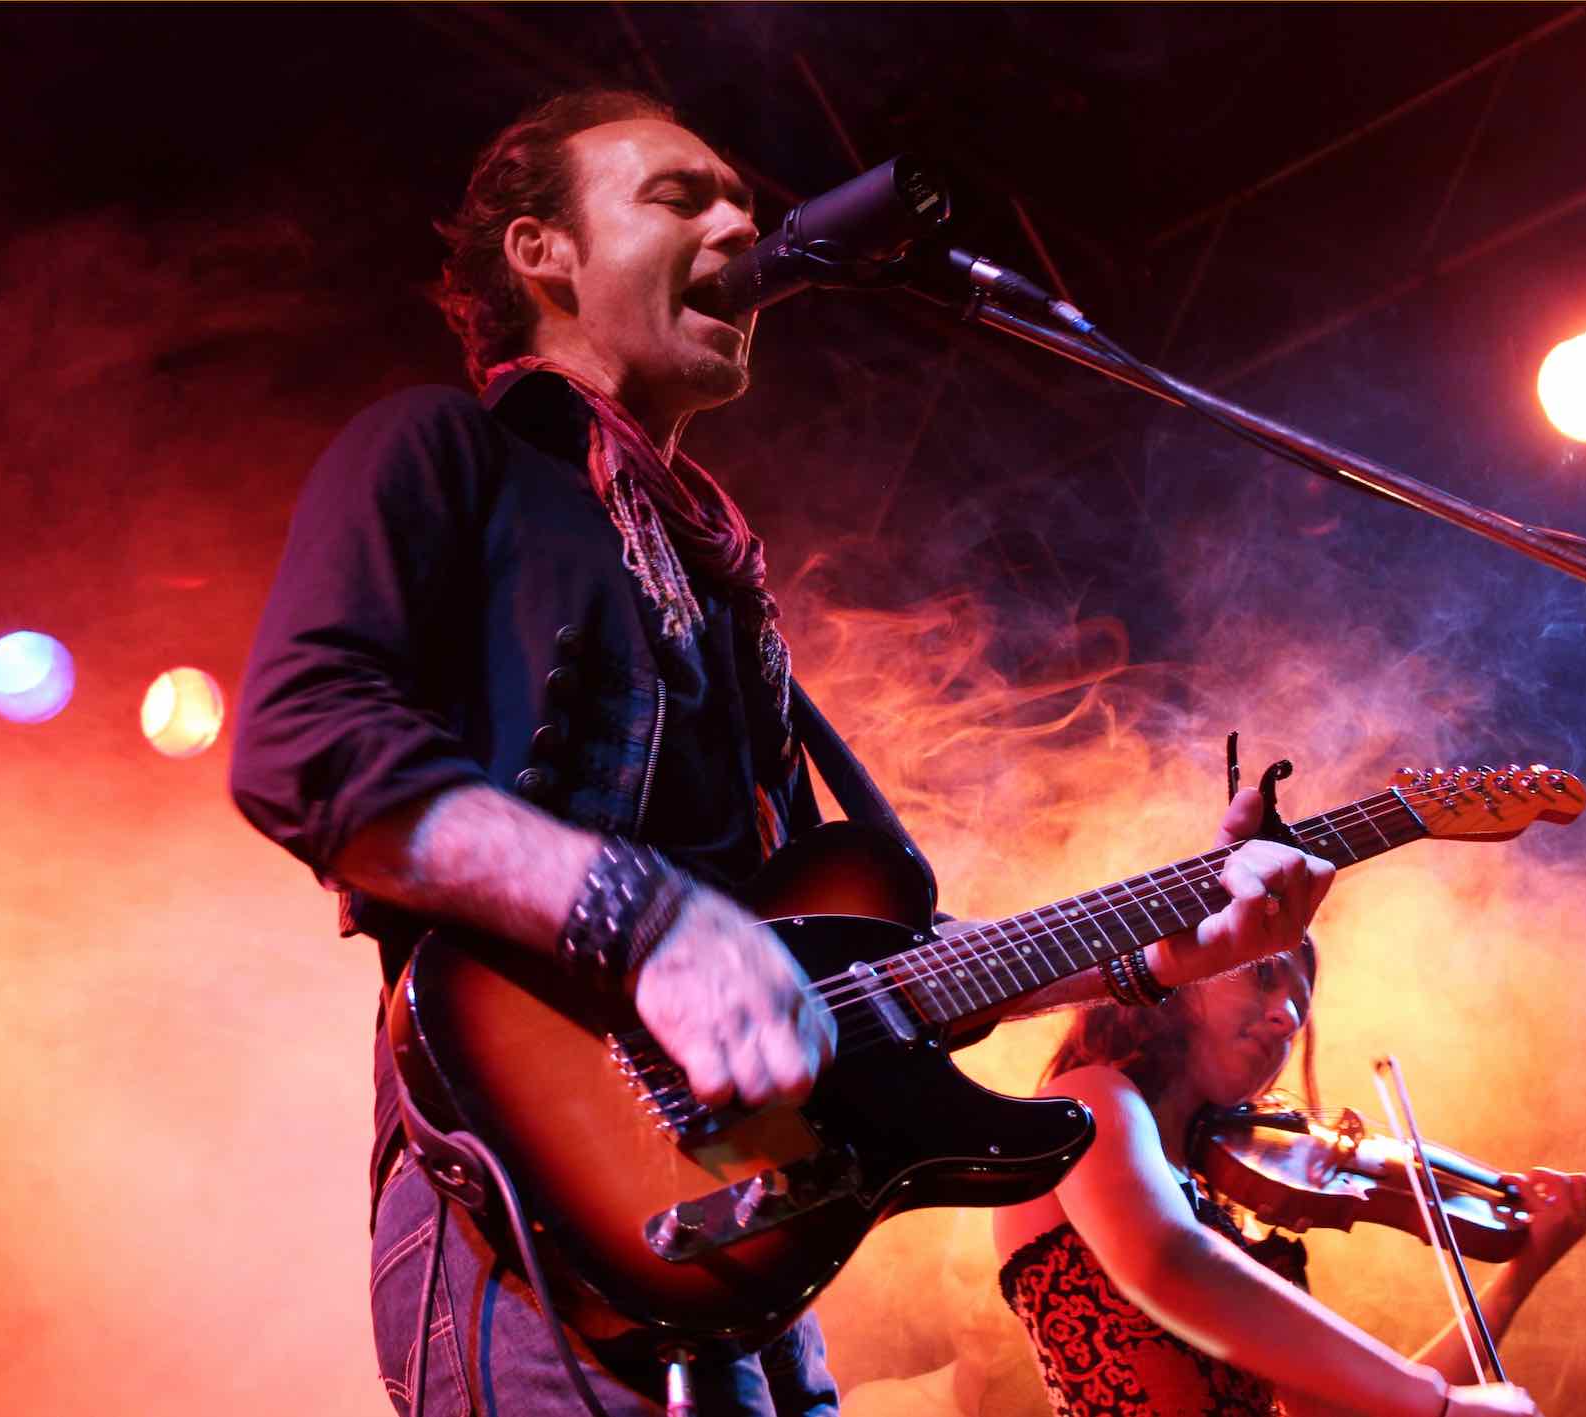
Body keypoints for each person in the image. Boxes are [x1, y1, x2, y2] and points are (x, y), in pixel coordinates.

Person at [228, 88, 1338, 1417]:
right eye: (679, 197)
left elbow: (842, 960)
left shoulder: (718, 581)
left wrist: (1160, 948)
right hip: (521, 1215)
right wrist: (648, 922)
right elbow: (306, 741)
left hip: (742, 1233)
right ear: (542, 253)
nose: (738, 227)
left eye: (743, 204)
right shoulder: (441, 450)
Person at [991, 940, 1586, 1416]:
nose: (1288, 1018)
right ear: (1177, 970)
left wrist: (1517, 1277)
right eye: (1264, 976)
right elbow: (1167, 1260)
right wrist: (1437, 1403)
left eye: (1301, 1004)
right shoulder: (1087, 1099)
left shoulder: (1207, 1206)